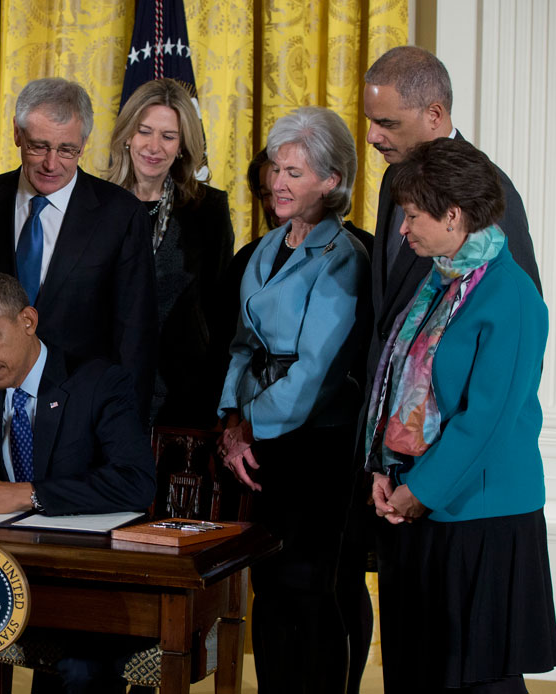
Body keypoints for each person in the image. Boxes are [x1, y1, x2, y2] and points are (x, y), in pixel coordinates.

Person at [365, 137, 556, 693]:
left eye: (413, 215)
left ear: (453, 215)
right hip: (418, 508)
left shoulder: (511, 295)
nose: (402, 230)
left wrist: (419, 490)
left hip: (481, 518)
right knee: (418, 675)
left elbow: (489, 422)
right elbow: (401, 385)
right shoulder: (440, 281)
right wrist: (387, 470)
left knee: (477, 683)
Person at [0, 271, 156, 693]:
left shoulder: (98, 382)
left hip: (91, 586)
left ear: (27, 321)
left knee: (81, 669)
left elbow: (135, 483)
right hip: (10, 577)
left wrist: (25, 495)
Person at [216, 107, 368, 693]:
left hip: (316, 446)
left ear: (331, 182)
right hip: (256, 443)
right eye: (277, 169)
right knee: (269, 586)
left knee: (311, 589)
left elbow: (316, 372)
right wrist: (231, 422)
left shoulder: (345, 256)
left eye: (295, 173)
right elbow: (240, 344)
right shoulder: (266, 246)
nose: (278, 183)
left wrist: (250, 426)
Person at [0, 77, 157, 421]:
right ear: (17, 134)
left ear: (84, 143)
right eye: (39, 146)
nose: (51, 163)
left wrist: (125, 430)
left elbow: (134, 339)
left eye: (67, 149)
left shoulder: (122, 215)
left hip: (81, 418)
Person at [363, 46, 541, 391]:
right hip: (383, 416)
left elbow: (519, 332)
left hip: (447, 423)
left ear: (434, 114)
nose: (372, 136)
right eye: (370, 121)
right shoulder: (394, 174)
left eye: (386, 123)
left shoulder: (489, 191)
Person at [104, 78, 234, 427]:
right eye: (145, 131)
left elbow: (221, 313)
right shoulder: (93, 205)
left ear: (182, 146)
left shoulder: (208, 210)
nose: (154, 146)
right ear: (127, 134)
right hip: (103, 391)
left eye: (168, 136)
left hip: (182, 395)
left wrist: (223, 405)